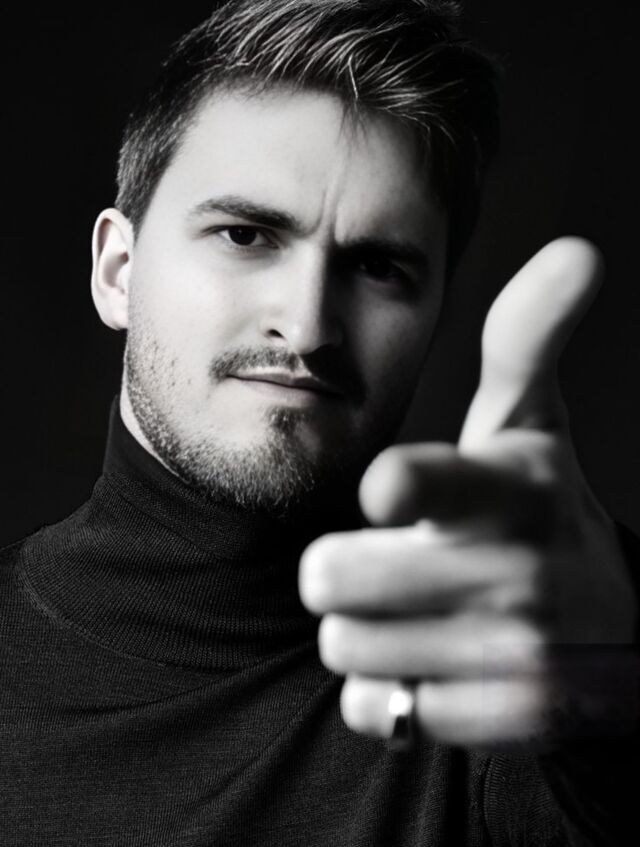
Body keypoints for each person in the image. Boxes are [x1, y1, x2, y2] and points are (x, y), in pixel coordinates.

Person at [1, 1, 638, 844]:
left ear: (436, 317)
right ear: (118, 271)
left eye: (378, 267)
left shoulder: (503, 684)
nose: (306, 328)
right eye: (245, 234)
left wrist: (620, 695)